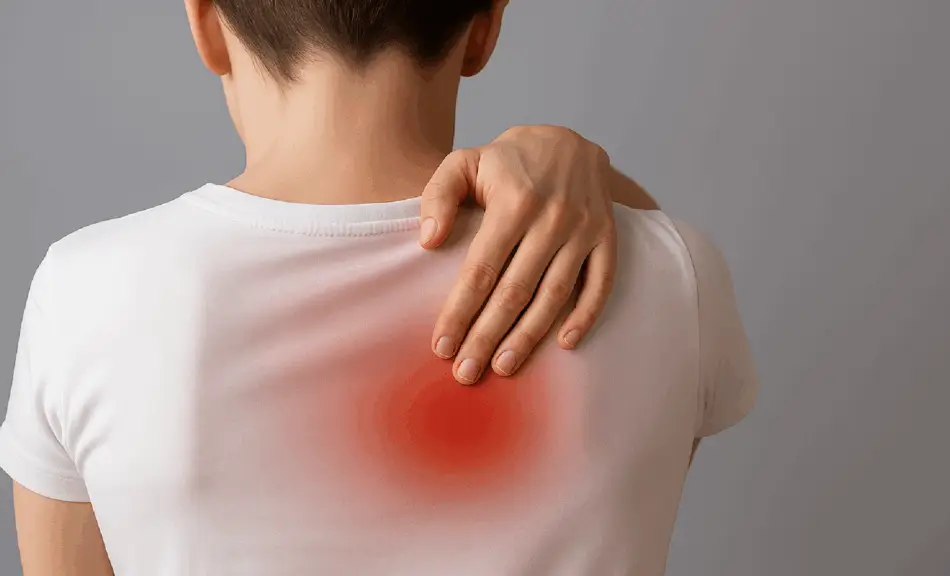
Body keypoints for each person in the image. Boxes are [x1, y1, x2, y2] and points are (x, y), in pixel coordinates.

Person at [0, 1, 757, 575]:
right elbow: (658, 262)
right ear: (485, 28)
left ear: (205, 26)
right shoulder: (673, 276)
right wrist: (587, 164)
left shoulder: (84, 291)